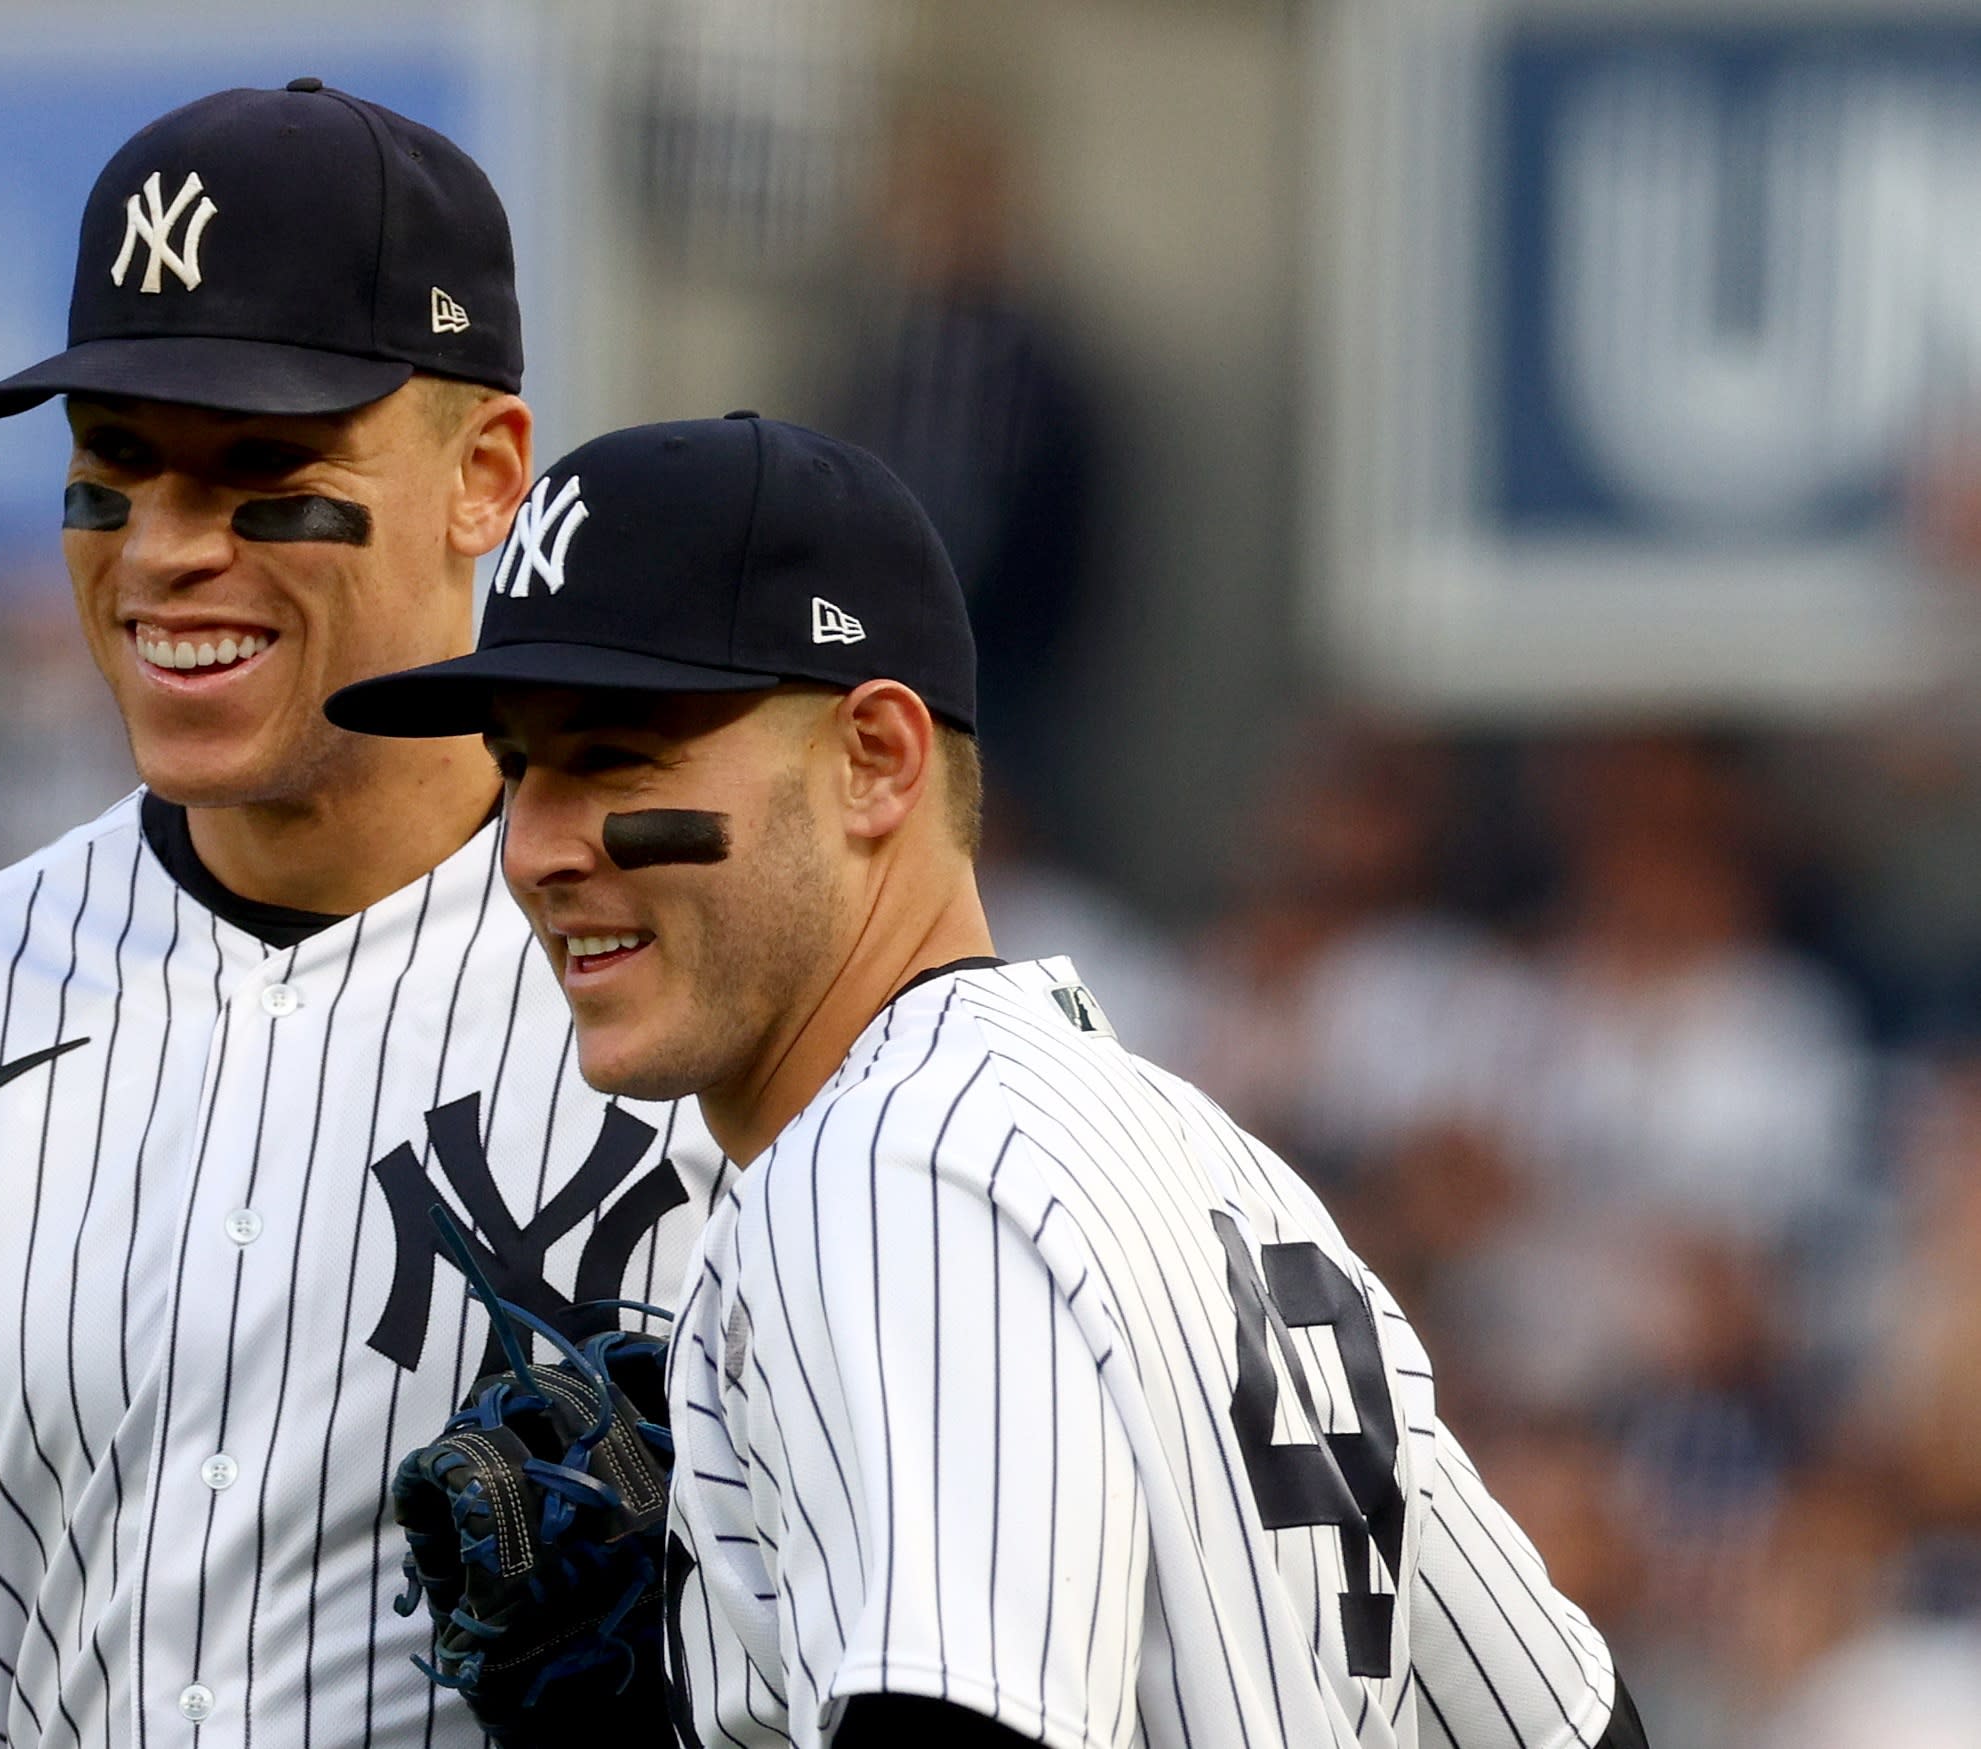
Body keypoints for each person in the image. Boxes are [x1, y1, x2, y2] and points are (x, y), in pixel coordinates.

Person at [0, 83, 729, 1747]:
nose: (169, 553)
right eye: (114, 473)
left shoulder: (710, 1003)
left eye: (265, 473)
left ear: (485, 475)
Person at [328, 414, 1642, 1748]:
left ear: (875, 760)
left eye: (613, 758)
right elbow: (1577, 1726)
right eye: (515, 768)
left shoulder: (887, 1169)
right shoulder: (1221, 1166)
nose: (535, 847)